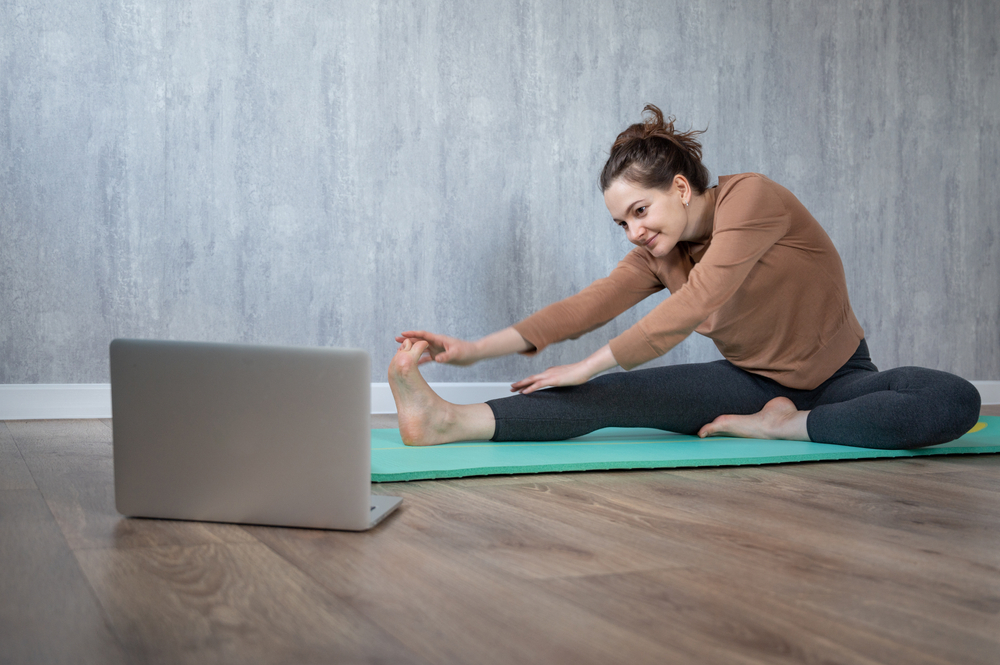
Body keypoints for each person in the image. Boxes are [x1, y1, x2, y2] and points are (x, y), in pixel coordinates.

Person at [388, 104, 981, 449]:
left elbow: (700, 301)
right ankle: (448, 420)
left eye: (639, 212)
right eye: (621, 222)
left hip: (843, 381)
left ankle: (787, 427)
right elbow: (586, 307)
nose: (634, 233)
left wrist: (592, 358)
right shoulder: (659, 251)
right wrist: (473, 349)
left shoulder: (753, 199)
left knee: (952, 399)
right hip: (748, 383)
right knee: (600, 394)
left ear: (678, 187)